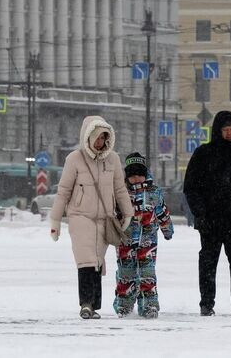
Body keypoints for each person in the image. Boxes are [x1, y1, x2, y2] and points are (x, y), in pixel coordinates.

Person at [49, 115, 133, 319]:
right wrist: (55, 220)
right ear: (88, 137)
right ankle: (85, 304)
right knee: (85, 260)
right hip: (80, 216)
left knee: (97, 260)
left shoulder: (112, 159)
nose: (100, 142)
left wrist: (128, 212)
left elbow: (120, 189)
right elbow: (63, 191)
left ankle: (93, 305)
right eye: (97, 138)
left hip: (105, 218)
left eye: (104, 138)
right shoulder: (74, 159)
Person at [183, 109, 231, 317]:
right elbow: (191, 187)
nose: (230, 133)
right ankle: (206, 303)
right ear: (218, 130)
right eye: (226, 129)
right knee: (208, 262)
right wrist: (200, 213)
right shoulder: (203, 154)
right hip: (210, 220)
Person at [113, 152, 174, 318]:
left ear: (145, 174)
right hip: (125, 241)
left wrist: (167, 229)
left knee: (147, 275)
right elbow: (113, 214)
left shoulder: (154, 192)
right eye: (132, 176)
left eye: (140, 174)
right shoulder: (121, 192)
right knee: (126, 275)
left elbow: (162, 212)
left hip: (148, 242)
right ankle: (124, 305)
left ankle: (149, 305)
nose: (136, 179)